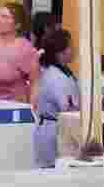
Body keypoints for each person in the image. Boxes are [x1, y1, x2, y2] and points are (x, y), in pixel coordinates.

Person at [33, 29, 80, 169]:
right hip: (53, 131)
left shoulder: (60, 71)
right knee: (51, 171)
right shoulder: (56, 77)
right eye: (71, 46)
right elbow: (68, 108)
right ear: (61, 52)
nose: (74, 50)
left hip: (54, 127)